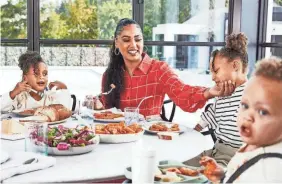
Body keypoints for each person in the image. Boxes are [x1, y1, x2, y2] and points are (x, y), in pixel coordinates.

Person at [96, 18, 235, 117]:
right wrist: (98, 104)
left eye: (138, 39)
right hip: (119, 139)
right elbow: (106, 110)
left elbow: (182, 92)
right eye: (126, 40)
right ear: (116, 43)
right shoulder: (109, 75)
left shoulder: (159, 69)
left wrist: (209, 92)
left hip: (151, 141)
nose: (133, 45)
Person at [200, 57, 282, 183]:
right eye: (245, 105)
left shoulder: (270, 169)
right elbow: (239, 174)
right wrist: (223, 176)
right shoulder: (253, 145)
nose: (247, 116)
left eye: (262, 112)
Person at [186, 33, 249, 167]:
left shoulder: (253, 94)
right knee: (177, 167)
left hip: (235, 158)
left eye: (216, 71)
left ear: (235, 66)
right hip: (215, 152)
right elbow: (210, 116)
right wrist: (191, 134)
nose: (213, 78)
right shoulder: (223, 93)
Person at [1, 51, 72, 111]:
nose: (41, 77)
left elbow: (65, 110)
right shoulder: (20, 97)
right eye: (36, 74)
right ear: (25, 78)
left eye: (45, 74)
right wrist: (13, 93)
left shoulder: (51, 96)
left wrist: (64, 89)